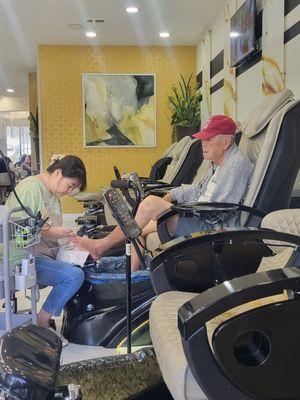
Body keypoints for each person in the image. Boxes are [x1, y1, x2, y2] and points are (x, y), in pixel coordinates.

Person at [73, 115, 253, 271]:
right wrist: (173, 196)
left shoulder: (236, 165)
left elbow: (221, 211)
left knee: (150, 203)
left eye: (208, 140)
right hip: (199, 217)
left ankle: (101, 246)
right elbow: (199, 190)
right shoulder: (218, 163)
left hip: (212, 228)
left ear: (226, 142)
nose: (203, 144)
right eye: (203, 139)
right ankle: (132, 275)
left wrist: (182, 209)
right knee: (140, 229)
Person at [6, 154, 87, 346]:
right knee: (74, 276)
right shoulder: (31, 189)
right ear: (58, 173)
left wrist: (64, 239)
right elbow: (19, 232)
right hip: (22, 258)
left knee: (87, 262)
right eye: (70, 186)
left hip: (40, 253)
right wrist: (54, 232)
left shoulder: (51, 192)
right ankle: (42, 320)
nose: (69, 191)